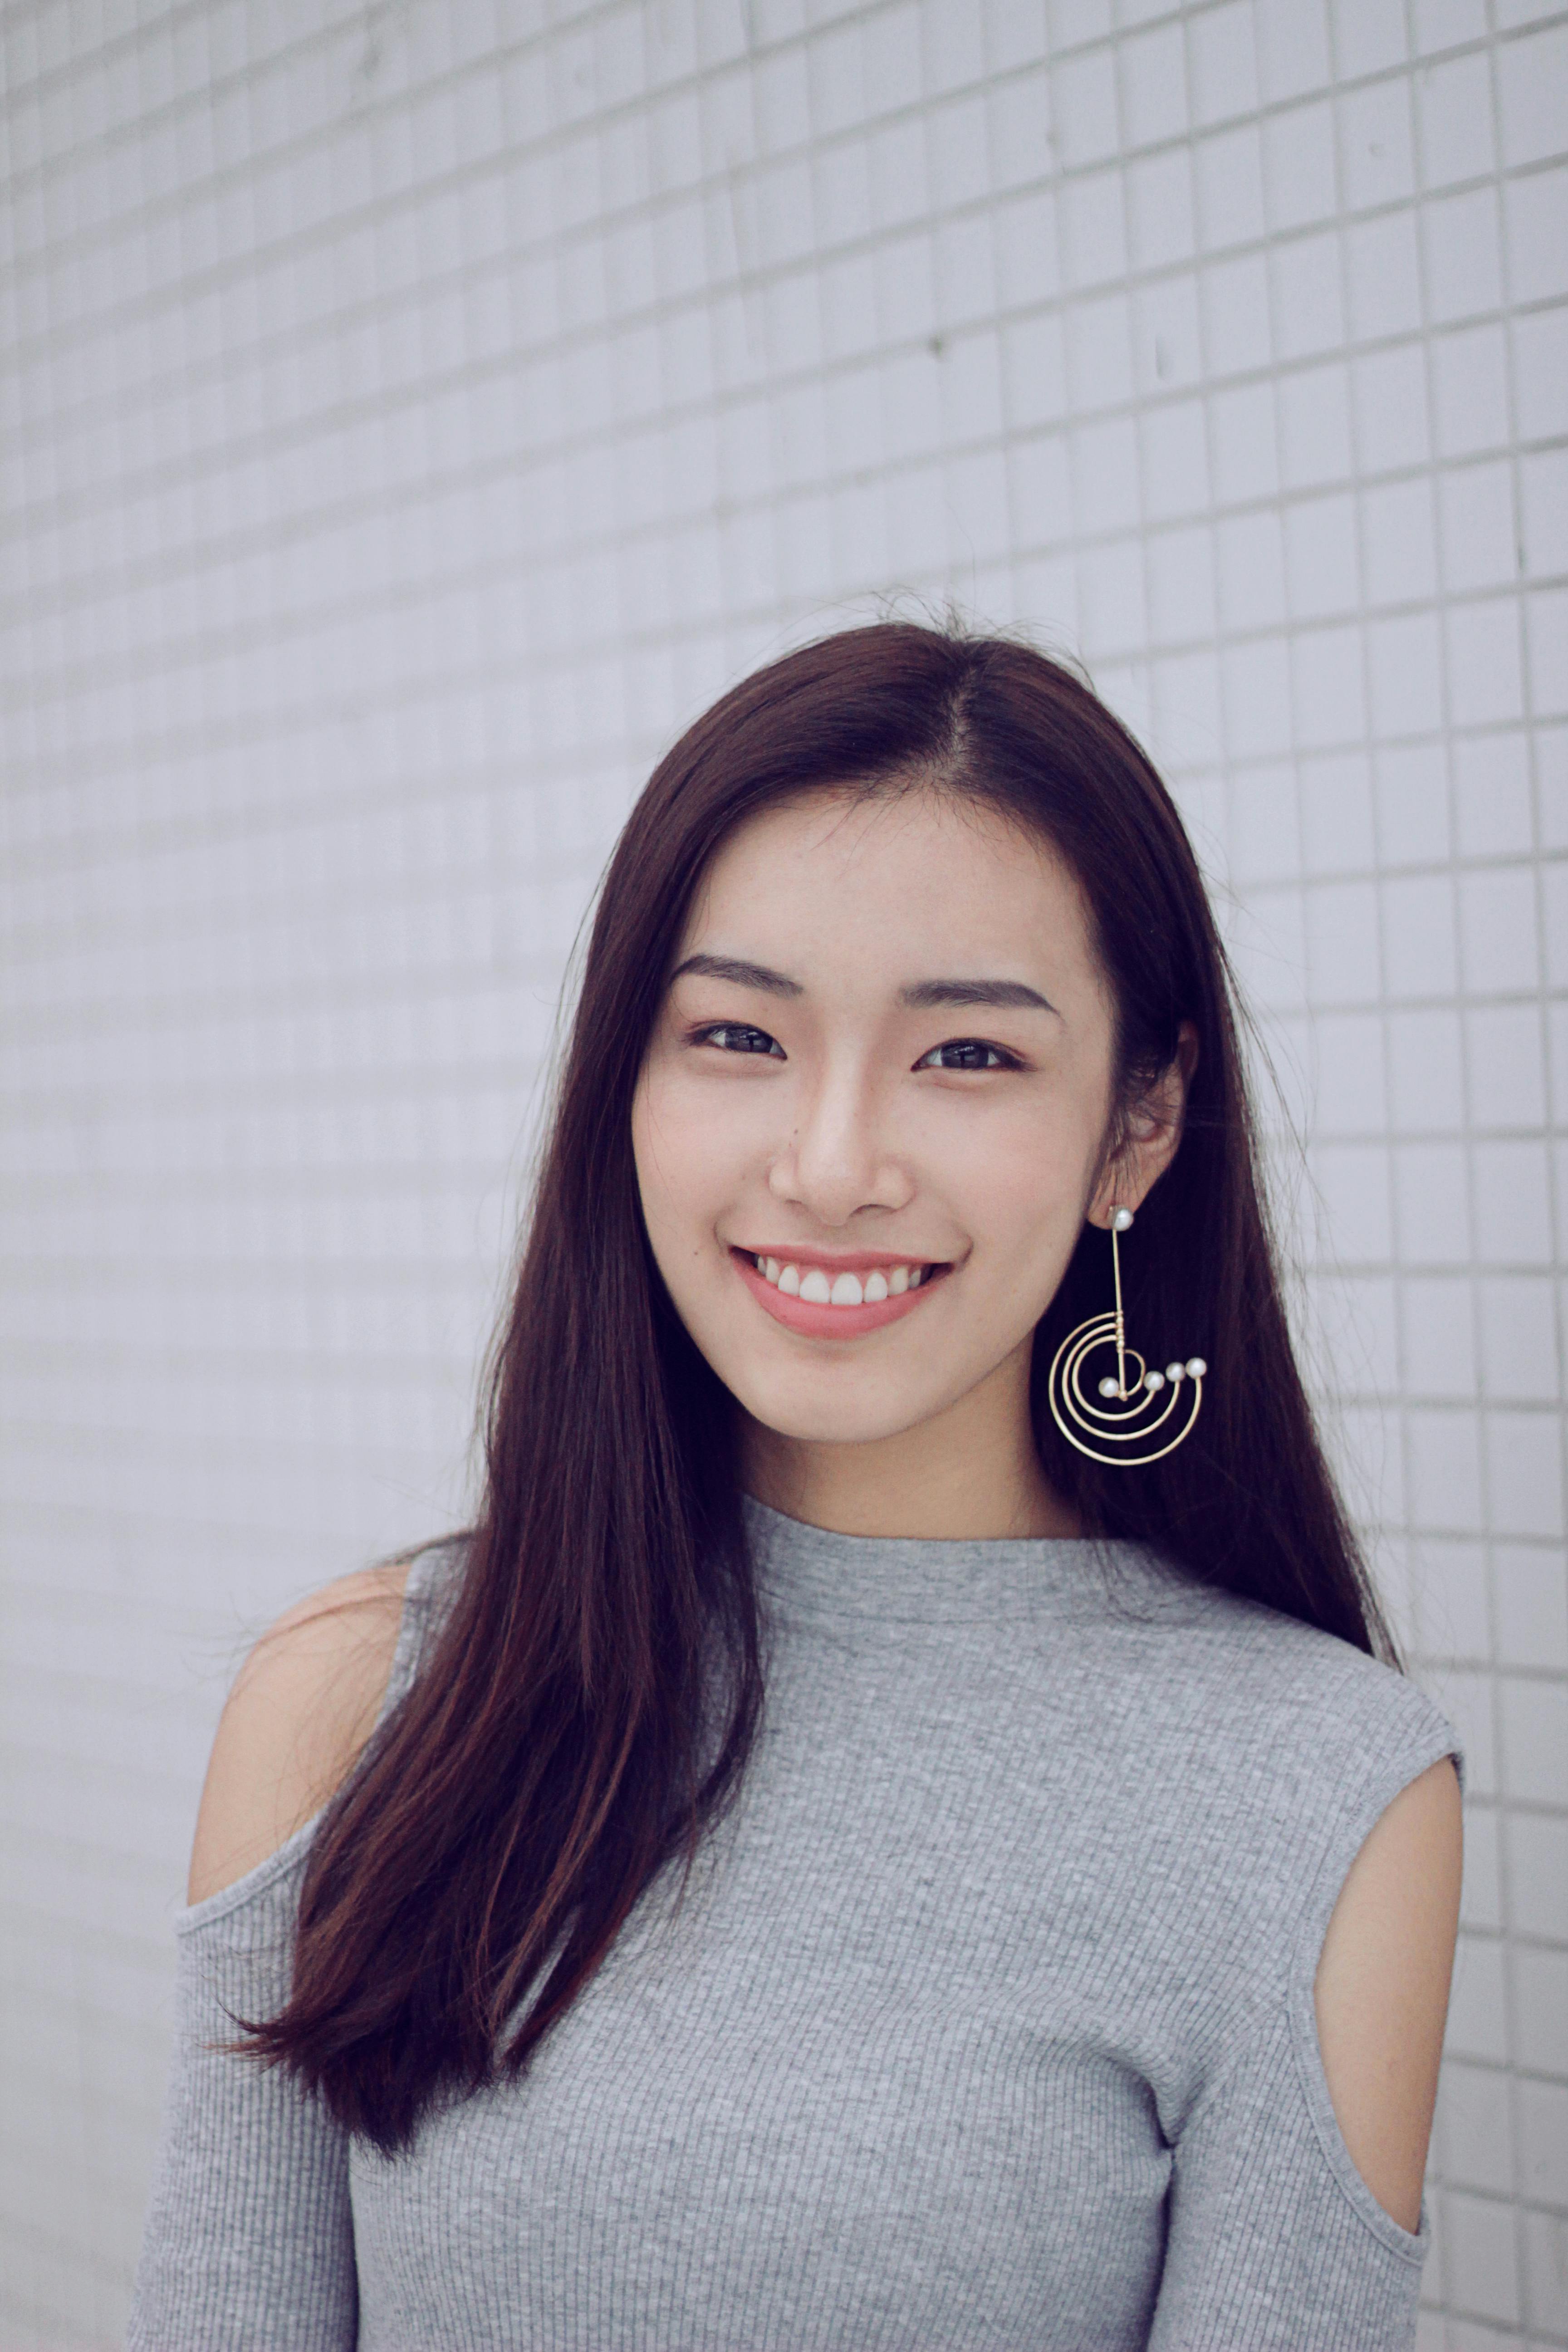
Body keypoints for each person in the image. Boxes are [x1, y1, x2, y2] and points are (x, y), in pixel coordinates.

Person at [128, 622, 1462, 2351]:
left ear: (1138, 1123)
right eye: (740, 1039)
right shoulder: (359, 1698)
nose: (831, 1167)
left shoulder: (1317, 1801)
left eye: (967, 1055)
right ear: (627, 1075)